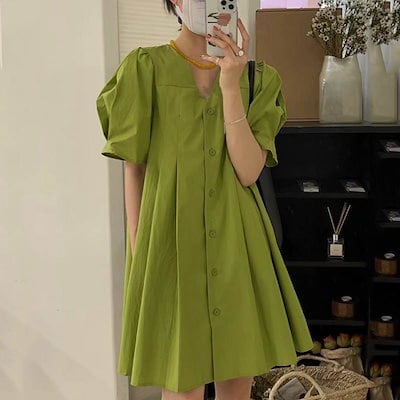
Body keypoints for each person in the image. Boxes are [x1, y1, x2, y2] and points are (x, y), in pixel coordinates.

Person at [95, 0, 314, 399]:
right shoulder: (145, 70)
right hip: (170, 243)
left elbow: (248, 171)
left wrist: (230, 85)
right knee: (182, 384)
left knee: (237, 380)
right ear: (177, 2)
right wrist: (141, 253)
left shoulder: (257, 79)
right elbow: (134, 169)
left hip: (237, 243)